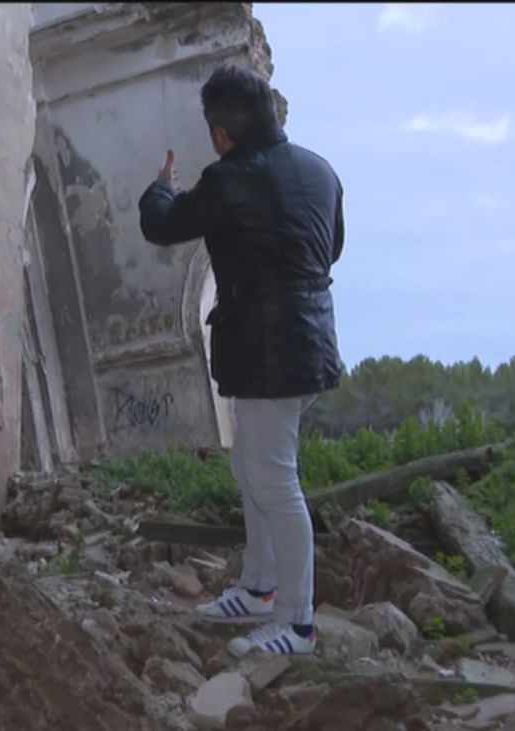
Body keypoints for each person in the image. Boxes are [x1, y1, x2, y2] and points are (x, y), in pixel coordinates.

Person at [138, 64, 345, 657]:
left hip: (265, 350)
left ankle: (297, 624)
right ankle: (258, 589)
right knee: (252, 467)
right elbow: (331, 247)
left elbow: (163, 224)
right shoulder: (322, 172)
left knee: (275, 479)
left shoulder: (229, 179)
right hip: (307, 343)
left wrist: (161, 185)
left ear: (222, 132)